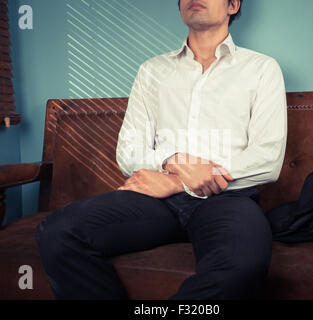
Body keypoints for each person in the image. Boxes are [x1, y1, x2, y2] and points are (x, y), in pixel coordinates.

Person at [35, 0, 288, 300]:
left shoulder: (261, 69)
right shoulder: (151, 71)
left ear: (233, 5)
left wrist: (176, 181)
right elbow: (128, 150)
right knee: (58, 231)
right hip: (158, 201)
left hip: (227, 198)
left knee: (243, 265)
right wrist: (174, 163)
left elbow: (268, 158)